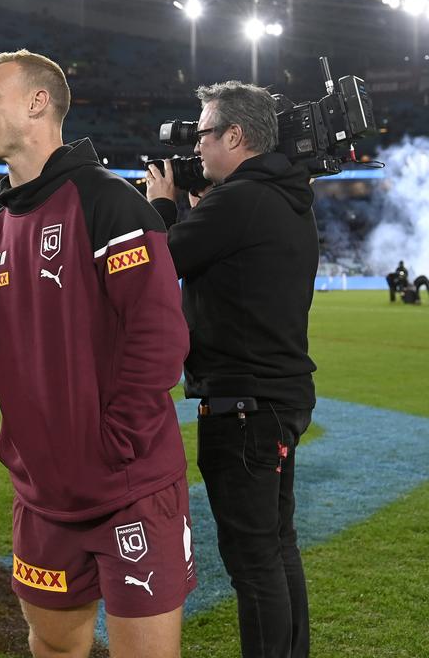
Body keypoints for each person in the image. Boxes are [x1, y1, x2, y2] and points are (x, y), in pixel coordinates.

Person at [0, 50, 194, 657]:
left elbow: (158, 336)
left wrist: (116, 442)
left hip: (129, 490)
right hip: (42, 500)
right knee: (51, 648)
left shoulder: (111, 204)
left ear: (37, 103)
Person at [146, 80, 318, 658]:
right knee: (276, 549)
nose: (195, 148)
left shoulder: (240, 200)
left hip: (244, 403)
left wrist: (163, 207)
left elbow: (155, 263)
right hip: (277, 397)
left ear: (235, 135)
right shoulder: (282, 195)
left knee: (254, 563)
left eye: (203, 135)